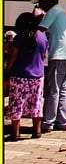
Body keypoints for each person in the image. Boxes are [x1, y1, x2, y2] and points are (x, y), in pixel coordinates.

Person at [4, 12, 48, 140]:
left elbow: (13, 56)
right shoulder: (42, 37)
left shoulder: (20, 37)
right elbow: (44, 55)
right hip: (38, 76)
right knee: (37, 103)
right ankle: (37, 131)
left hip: (20, 75)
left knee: (17, 103)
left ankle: (15, 133)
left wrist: (7, 71)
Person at [36, 0, 66, 132]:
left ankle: (48, 122)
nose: (40, 6)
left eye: (40, 3)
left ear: (48, 2)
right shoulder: (60, 11)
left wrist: (36, 17)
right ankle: (63, 121)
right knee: (63, 88)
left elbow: (39, 30)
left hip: (59, 55)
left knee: (53, 89)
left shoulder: (53, 12)